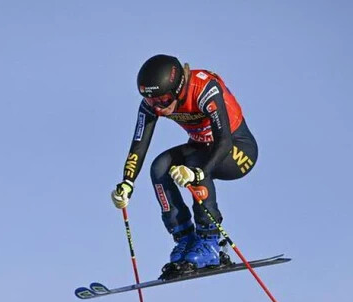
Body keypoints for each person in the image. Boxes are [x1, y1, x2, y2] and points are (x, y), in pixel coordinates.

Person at [110, 54, 258, 278]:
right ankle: (186, 239)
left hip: (237, 151)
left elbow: (224, 140)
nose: (158, 107)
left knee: (195, 163)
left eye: (164, 100)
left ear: (178, 89)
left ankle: (210, 242)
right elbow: (139, 143)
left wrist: (198, 172)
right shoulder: (156, 102)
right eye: (151, 101)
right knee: (159, 167)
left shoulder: (204, 88)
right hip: (202, 148)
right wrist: (128, 181)